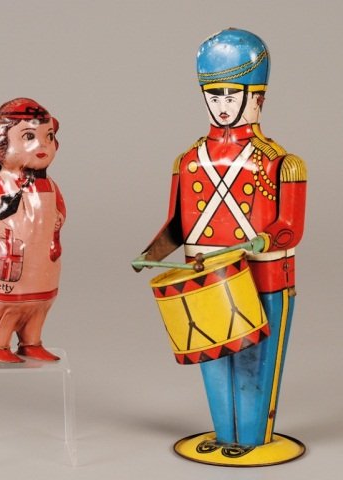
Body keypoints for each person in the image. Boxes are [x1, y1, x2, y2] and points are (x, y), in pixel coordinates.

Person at [134, 29, 307, 464]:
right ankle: (224, 431)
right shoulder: (188, 160)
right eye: (214, 95)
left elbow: (291, 227)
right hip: (204, 275)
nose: (223, 104)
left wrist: (262, 240)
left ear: (257, 98)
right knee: (212, 357)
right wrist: (151, 254)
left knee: (255, 361)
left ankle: (251, 436)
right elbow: (178, 223)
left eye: (233, 94)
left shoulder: (281, 162)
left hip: (263, 275)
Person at [0, 98, 66, 363]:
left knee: (39, 305)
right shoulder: (1, 184)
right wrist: (0, 228)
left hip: (42, 262)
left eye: (48, 136)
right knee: (5, 307)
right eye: (29, 137)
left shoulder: (50, 185)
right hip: (9, 261)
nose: (42, 145)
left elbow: (60, 210)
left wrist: (58, 219)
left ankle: (31, 341)